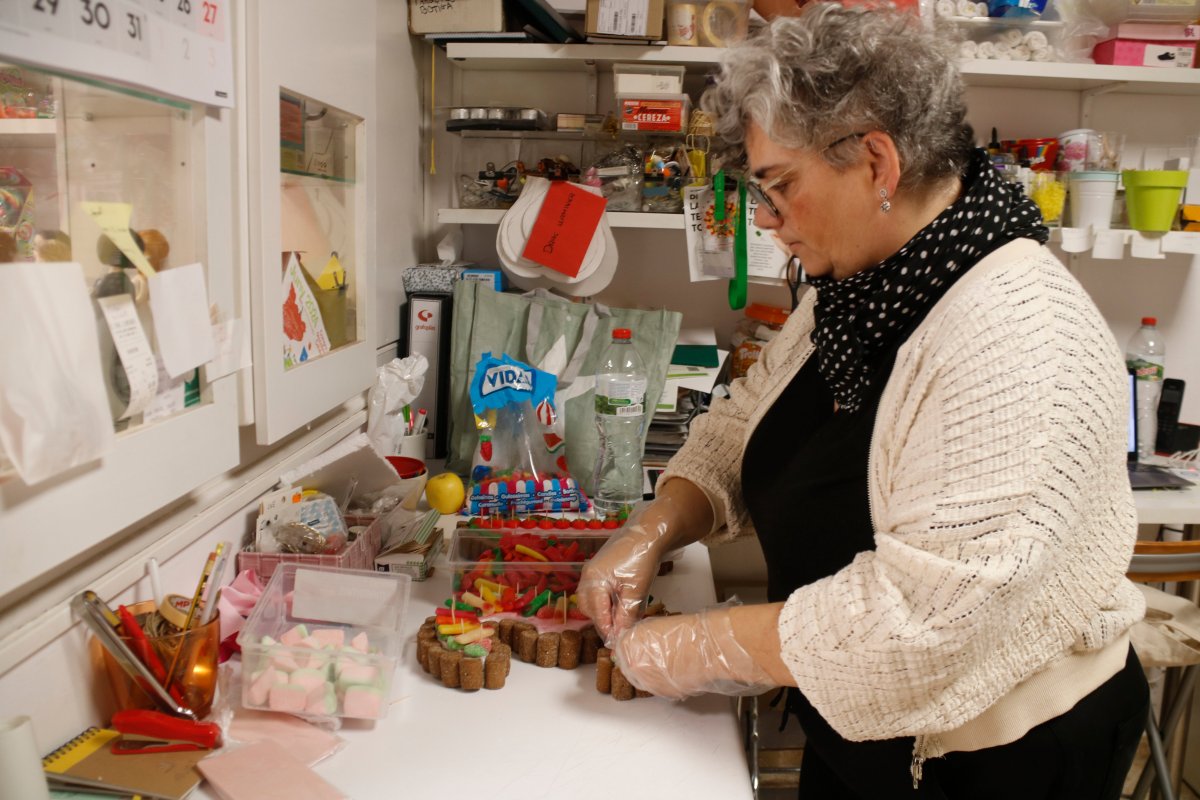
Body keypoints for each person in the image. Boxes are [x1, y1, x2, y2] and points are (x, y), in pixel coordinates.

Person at [576, 5, 1149, 797]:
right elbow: (747, 420)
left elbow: (919, 624)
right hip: (855, 722)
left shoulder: (1017, 333)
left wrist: (698, 646)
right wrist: (656, 525)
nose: (769, 223)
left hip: (991, 755)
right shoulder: (858, 287)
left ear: (877, 162)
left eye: (779, 187)